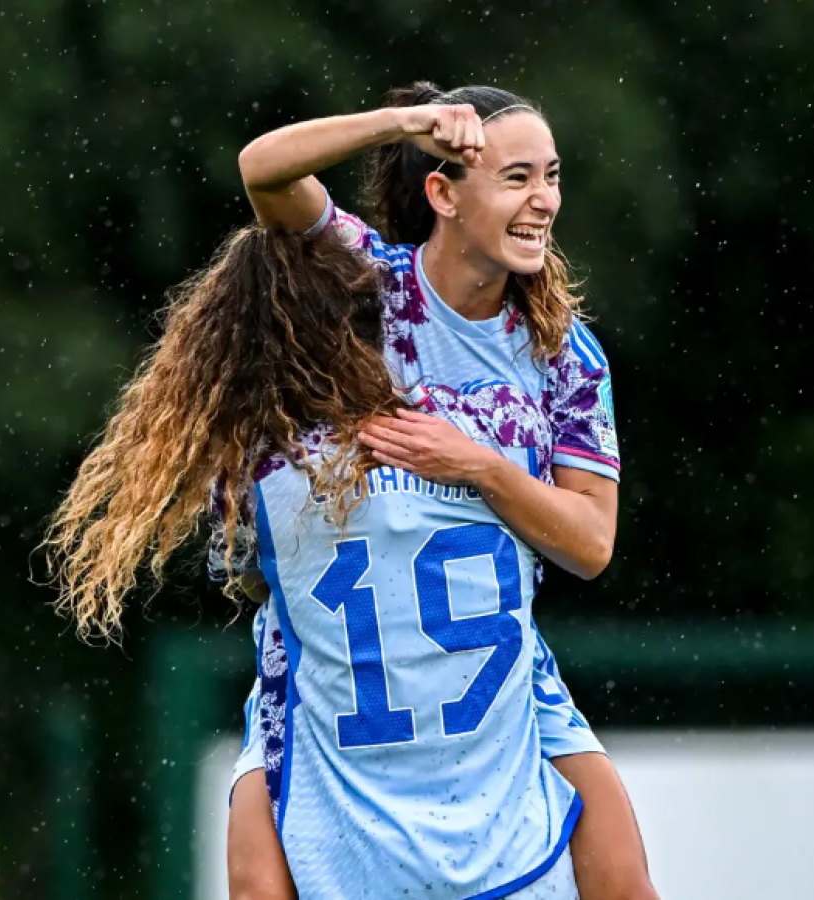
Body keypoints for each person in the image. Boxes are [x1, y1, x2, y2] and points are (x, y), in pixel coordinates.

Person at [226, 83, 658, 900]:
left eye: (553, 177)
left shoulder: (565, 359)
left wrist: (480, 466)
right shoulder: (361, 289)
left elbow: (591, 545)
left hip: (494, 701)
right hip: (338, 704)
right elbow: (264, 172)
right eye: (517, 178)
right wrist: (400, 124)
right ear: (443, 193)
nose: (544, 203)